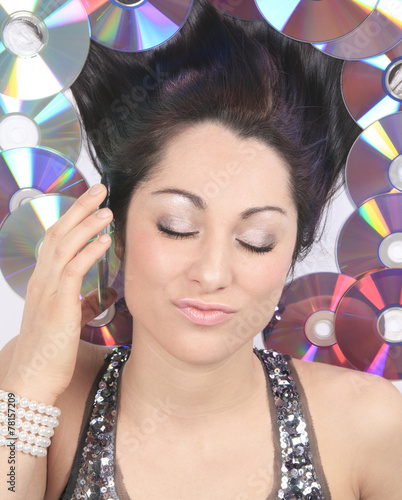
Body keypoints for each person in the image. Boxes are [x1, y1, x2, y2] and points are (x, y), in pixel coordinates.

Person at [0, 1, 401, 498]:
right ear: (116, 231)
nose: (212, 273)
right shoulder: (35, 394)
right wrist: (29, 388)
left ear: (292, 251)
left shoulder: (370, 424)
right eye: (177, 227)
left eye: (257, 241)